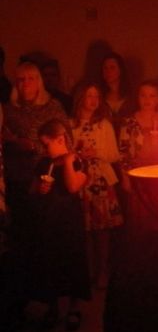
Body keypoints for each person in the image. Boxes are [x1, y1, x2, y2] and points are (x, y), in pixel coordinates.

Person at [28, 119, 90, 330]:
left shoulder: (79, 162)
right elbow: (32, 189)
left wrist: (70, 160)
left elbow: (73, 186)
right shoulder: (44, 163)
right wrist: (40, 188)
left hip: (70, 222)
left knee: (73, 262)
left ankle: (74, 307)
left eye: (47, 144)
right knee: (51, 264)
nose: (44, 149)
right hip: (49, 222)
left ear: (60, 139)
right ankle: (53, 307)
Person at [3, 62, 69, 253]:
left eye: (31, 79)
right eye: (21, 79)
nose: (25, 84)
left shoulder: (53, 107)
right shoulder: (8, 110)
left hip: (48, 180)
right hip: (18, 181)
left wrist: (33, 146)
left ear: (39, 82)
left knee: (48, 238)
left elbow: (67, 142)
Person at [71, 83, 123, 289]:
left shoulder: (104, 125)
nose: (93, 100)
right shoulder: (71, 124)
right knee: (84, 230)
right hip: (80, 181)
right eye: (89, 95)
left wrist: (96, 153)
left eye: (96, 96)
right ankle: (88, 271)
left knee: (102, 230)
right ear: (81, 98)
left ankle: (103, 271)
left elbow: (114, 155)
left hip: (100, 181)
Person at [119, 81, 158, 230]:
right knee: (141, 220)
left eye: (151, 96)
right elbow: (123, 152)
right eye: (143, 95)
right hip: (138, 177)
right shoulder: (129, 122)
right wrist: (125, 178)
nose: (147, 100)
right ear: (138, 98)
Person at [100, 52, 134, 131]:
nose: (108, 72)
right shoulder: (98, 95)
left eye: (112, 68)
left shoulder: (131, 95)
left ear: (120, 70)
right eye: (105, 68)